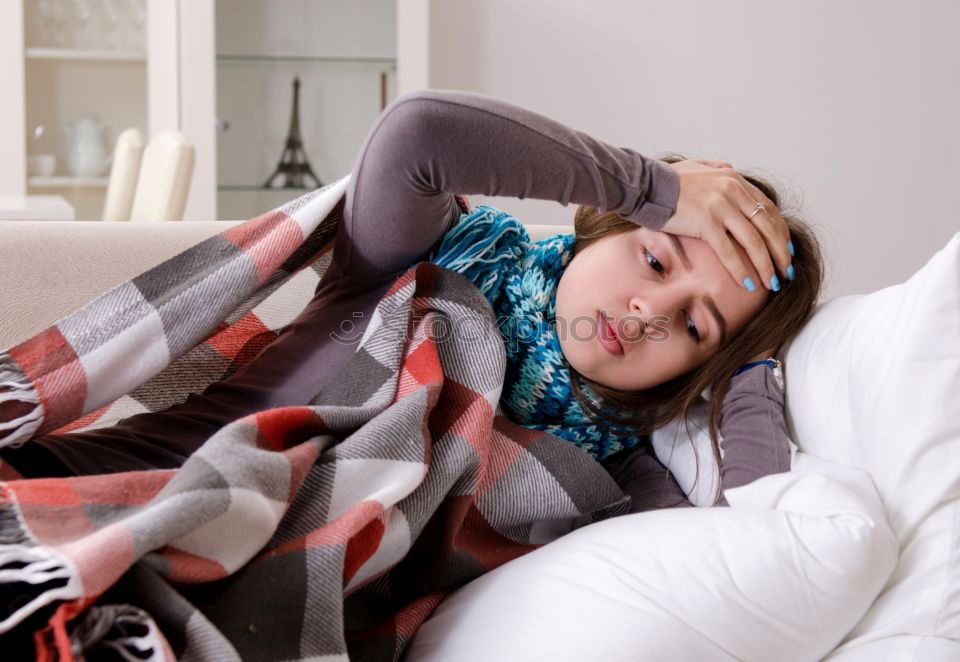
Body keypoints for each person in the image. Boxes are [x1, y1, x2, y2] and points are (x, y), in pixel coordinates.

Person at [0, 89, 823, 509]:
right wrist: (654, 185)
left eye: (693, 324)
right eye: (653, 257)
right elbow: (419, 135)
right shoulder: (418, 259)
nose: (649, 313)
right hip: (78, 494)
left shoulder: (613, 474)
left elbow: (748, 530)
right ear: (609, 224)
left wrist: (751, 363)